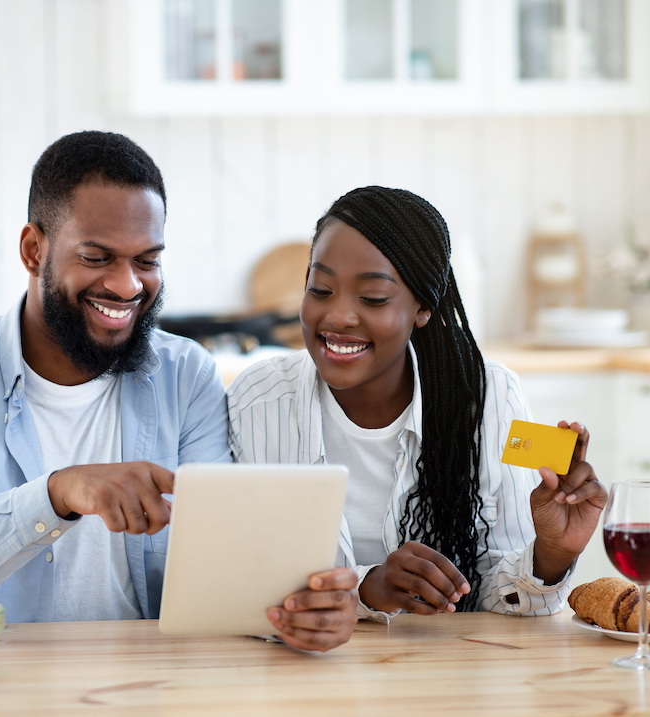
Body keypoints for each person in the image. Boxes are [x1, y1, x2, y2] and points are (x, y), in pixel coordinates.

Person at [0, 131, 356, 651]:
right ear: (33, 250)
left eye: (147, 260)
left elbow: (222, 570)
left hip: (153, 690)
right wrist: (56, 494)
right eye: (97, 258)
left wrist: (298, 612)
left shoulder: (186, 377)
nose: (127, 286)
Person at [227, 186, 607, 622]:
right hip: (300, 670)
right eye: (320, 289)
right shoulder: (257, 401)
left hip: (448, 676)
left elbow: (507, 601)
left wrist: (553, 552)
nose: (337, 317)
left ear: (423, 306)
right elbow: (241, 583)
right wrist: (367, 588)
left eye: (372, 298)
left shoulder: (493, 397)